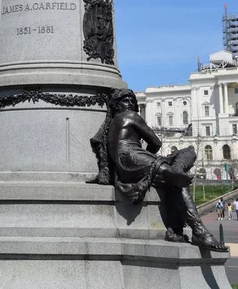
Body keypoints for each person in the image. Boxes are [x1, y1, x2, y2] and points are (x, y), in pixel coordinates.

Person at [91, 88, 227, 251]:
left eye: (132, 101)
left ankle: (174, 172)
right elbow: (156, 142)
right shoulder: (131, 115)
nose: (130, 104)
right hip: (134, 157)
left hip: (124, 167)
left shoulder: (109, 126)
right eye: (126, 101)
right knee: (188, 153)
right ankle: (199, 231)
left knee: (173, 176)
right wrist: (149, 157)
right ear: (117, 106)